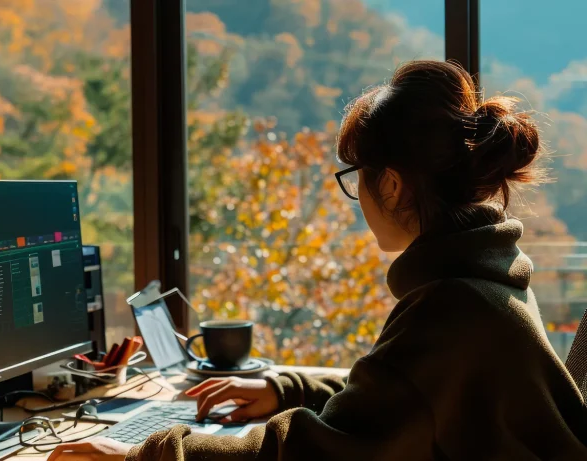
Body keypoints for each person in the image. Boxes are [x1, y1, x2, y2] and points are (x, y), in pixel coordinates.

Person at [49, 60, 587, 460]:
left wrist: (146, 455)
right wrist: (286, 388)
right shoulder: (488, 277)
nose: (356, 199)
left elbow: (319, 453)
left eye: (356, 178)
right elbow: (402, 395)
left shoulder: (451, 306)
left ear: (393, 185)